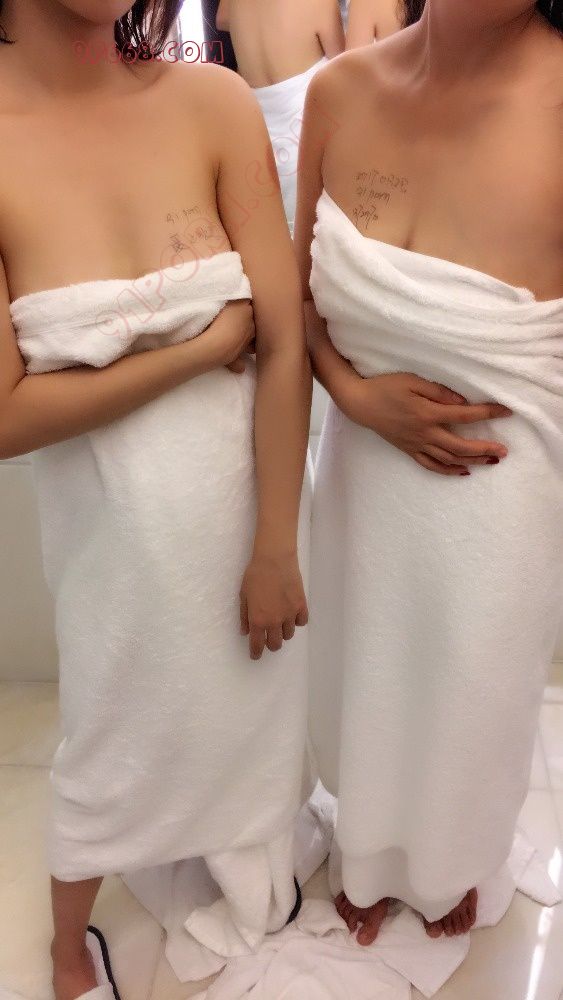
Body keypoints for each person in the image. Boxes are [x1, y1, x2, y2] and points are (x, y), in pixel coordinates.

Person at [0, 2, 313, 997]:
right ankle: (67, 950)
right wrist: (202, 348)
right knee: (108, 732)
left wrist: (275, 544)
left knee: (254, 710)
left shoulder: (210, 103)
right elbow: (3, 416)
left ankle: (247, 857)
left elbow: (285, 342)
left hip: (248, 512)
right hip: (113, 545)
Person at [295, 0, 562, 946]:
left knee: (469, 689)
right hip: (359, 475)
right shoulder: (340, 89)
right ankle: (367, 850)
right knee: (364, 667)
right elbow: (297, 303)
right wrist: (354, 396)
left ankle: (452, 859)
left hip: (498, 488)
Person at [216, 0, 345, 232]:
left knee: (270, 231)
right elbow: (343, 64)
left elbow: (222, 19)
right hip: (308, 128)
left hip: (254, 128)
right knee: (313, 235)